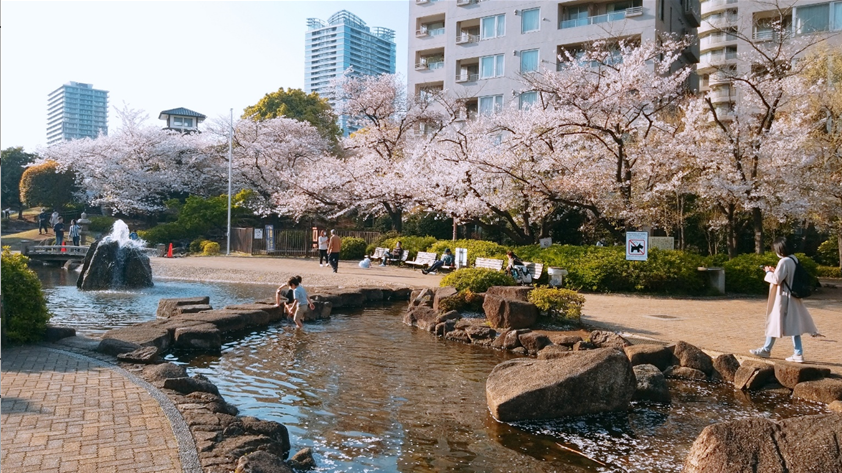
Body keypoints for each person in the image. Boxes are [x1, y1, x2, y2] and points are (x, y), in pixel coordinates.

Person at [749, 237, 820, 363]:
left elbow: (777, 280)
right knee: (793, 325)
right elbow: (786, 276)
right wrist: (774, 271)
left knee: (775, 321)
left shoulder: (784, 261)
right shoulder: (793, 259)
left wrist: (767, 272)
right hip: (793, 296)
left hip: (783, 297)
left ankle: (768, 350)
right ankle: (796, 352)